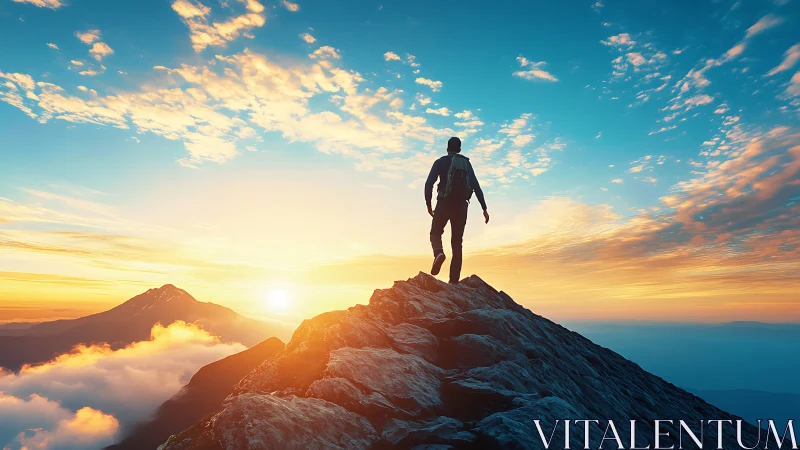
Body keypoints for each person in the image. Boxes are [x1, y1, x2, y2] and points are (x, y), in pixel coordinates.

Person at [424, 137, 489, 284]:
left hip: (443, 203)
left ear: (447, 148)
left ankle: (439, 253)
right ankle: (453, 281)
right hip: (461, 206)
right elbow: (476, 186)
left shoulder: (440, 162)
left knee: (435, 232)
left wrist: (428, 203)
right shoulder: (466, 164)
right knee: (457, 243)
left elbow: (429, 183)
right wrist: (484, 208)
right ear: (459, 149)